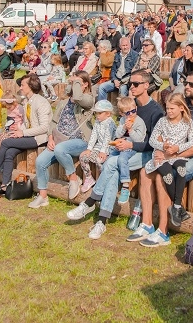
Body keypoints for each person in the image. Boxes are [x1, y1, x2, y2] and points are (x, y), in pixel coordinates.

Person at [67, 70, 165, 240]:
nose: (131, 86)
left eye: (135, 84)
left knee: (111, 164)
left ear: (146, 86)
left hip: (145, 152)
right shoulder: (129, 106)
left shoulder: (155, 111)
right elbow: (120, 130)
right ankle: (101, 221)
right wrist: (119, 141)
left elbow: (154, 143)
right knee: (112, 168)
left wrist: (131, 144)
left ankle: (90, 203)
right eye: (130, 83)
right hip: (125, 150)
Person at [126, 70, 193, 246]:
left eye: (191, 84)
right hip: (174, 153)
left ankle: (163, 231)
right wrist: (161, 150)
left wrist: (170, 155)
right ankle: (147, 224)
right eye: (186, 83)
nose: (187, 87)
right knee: (145, 172)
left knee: (162, 176)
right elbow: (163, 133)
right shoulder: (180, 104)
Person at [28, 72, 95, 207]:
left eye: (77, 83)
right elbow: (53, 122)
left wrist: (76, 82)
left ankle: (73, 179)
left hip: (81, 141)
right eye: (72, 83)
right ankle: (43, 196)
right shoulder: (64, 103)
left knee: (60, 149)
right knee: (40, 162)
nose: (73, 85)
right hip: (60, 140)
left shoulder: (89, 100)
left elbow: (78, 97)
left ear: (85, 84)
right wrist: (50, 137)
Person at [142, 93, 193, 231]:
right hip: (162, 155)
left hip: (177, 155)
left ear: (181, 108)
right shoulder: (162, 121)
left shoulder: (188, 122)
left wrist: (178, 148)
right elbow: (152, 140)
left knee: (181, 169)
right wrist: (162, 146)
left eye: (172, 108)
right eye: (167, 108)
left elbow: (192, 141)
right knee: (167, 174)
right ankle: (179, 208)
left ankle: (176, 206)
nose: (169, 111)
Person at [108, 96, 147, 204]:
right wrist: (124, 127)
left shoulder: (139, 122)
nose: (131, 114)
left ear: (136, 108)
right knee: (109, 156)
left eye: (133, 111)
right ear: (122, 114)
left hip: (132, 147)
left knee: (122, 158)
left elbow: (139, 140)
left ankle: (125, 185)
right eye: (127, 113)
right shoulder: (122, 120)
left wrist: (130, 129)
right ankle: (107, 178)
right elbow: (117, 134)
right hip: (122, 144)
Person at [77, 100, 119, 195]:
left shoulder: (110, 123)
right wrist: (89, 149)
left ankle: (104, 182)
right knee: (83, 156)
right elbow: (94, 135)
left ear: (108, 114)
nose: (97, 115)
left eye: (100, 113)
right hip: (98, 146)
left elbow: (107, 138)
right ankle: (89, 178)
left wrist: (103, 151)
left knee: (100, 161)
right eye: (96, 113)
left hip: (109, 148)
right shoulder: (97, 121)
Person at [96, 37, 138, 101]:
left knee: (123, 89)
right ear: (120, 46)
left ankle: (122, 107)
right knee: (102, 87)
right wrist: (115, 80)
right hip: (116, 80)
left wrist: (123, 81)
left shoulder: (135, 55)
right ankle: (102, 106)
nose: (125, 47)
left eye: (126, 45)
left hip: (126, 82)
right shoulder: (117, 55)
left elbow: (134, 72)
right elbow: (113, 70)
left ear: (130, 45)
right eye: (123, 45)